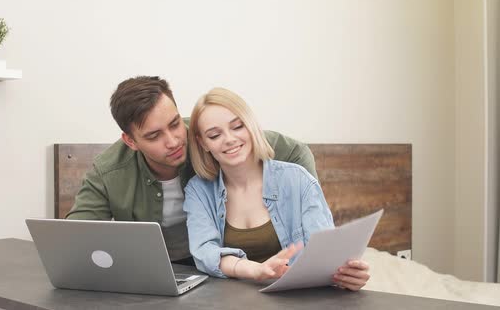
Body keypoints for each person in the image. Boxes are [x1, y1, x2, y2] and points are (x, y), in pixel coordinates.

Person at [66, 76, 318, 265]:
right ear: (131, 141)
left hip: (213, 265)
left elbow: (293, 150)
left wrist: (308, 210)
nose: (174, 141)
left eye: (175, 123)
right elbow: (73, 237)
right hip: (152, 268)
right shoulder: (109, 171)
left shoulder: (208, 136)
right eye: (154, 136)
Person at [183, 88, 370, 291]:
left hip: (297, 298)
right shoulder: (198, 191)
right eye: (215, 135)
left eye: (237, 126)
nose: (229, 139)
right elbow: (204, 252)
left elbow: (326, 255)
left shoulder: (298, 180)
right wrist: (254, 270)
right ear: (203, 143)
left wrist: (347, 275)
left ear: (251, 125)